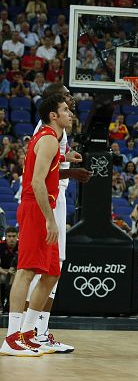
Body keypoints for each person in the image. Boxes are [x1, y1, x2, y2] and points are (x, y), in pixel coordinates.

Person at [1, 95, 72, 356]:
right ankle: (11, 338)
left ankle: (29, 332)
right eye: (65, 109)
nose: (70, 113)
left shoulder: (49, 141)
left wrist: (66, 161)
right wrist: (51, 220)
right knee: (26, 271)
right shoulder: (48, 139)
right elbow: (36, 183)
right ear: (53, 115)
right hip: (36, 210)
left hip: (44, 209)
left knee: (52, 272)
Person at [24, 84, 91, 352]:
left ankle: (38, 330)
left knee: (52, 269)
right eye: (65, 96)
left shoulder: (57, 132)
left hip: (54, 197)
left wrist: (66, 160)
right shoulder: (47, 131)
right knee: (42, 268)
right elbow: (40, 174)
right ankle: (31, 332)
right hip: (46, 200)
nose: (71, 99)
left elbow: (53, 163)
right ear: (55, 105)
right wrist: (71, 173)